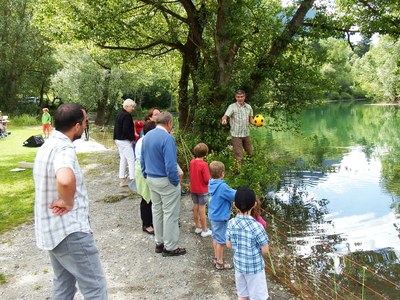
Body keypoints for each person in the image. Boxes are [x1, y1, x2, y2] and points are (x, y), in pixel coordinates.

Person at [33, 103, 107, 299]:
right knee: (95, 287)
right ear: (76, 126)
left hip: (52, 230)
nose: (85, 126)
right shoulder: (64, 148)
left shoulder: (47, 144)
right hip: (70, 231)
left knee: (63, 284)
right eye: (84, 123)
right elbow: (65, 179)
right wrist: (68, 202)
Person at [141, 111, 186, 257]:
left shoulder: (147, 136)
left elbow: (142, 159)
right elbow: (170, 165)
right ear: (170, 123)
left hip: (151, 178)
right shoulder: (167, 138)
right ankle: (170, 247)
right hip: (165, 180)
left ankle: (159, 242)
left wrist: (146, 174)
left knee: (157, 211)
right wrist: (175, 182)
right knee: (170, 214)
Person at [226, 186, 270, 300]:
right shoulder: (258, 226)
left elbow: (228, 245)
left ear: (235, 204)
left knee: (242, 295)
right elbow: (265, 250)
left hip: (239, 266)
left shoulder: (231, 223)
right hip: (255, 269)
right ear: (255, 204)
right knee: (259, 297)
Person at [208, 161, 236, 270]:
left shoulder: (211, 183)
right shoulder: (223, 187)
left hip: (213, 215)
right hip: (220, 218)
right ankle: (219, 263)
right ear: (222, 173)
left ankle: (216, 258)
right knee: (221, 241)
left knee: (215, 238)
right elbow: (234, 195)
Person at [221, 90, 256, 162]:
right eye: (238, 97)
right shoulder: (232, 107)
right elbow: (225, 116)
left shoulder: (248, 107)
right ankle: (238, 172)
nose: (240, 98)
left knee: (250, 153)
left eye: (241, 97)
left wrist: (257, 124)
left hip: (246, 134)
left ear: (244, 97)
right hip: (236, 135)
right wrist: (224, 120)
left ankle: (250, 170)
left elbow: (251, 120)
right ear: (235, 97)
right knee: (239, 156)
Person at [134, 121, 156, 235]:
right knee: (146, 198)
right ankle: (146, 224)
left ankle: (152, 222)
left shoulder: (145, 140)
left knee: (151, 198)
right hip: (143, 171)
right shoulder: (144, 141)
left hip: (147, 169)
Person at [189, 143, 212, 237]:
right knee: (202, 209)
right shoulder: (204, 164)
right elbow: (207, 180)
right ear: (205, 154)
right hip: (202, 190)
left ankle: (198, 227)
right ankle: (204, 230)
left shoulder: (192, 162)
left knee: (195, 206)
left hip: (193, 188)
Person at [113, 98, 136, 187]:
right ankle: (133, 179)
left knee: (123, 159)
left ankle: (122, 179)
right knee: (131, 159)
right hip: (124, 140)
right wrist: (131, 139)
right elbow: (126, 129)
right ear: (126, 106)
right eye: (132, 106)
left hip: (118, 139)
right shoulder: (127, 115)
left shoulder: (119, 114)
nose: (133, 108)